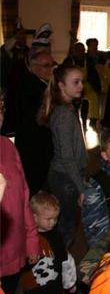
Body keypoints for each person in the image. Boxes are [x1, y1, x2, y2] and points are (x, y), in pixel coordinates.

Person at [0, 90, 40, 294]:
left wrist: (31, 240)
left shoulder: (8, 146)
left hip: (13, 250)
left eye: (0, 109)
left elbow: (24, 195)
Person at [39, 65, 87, 248]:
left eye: (81, 81)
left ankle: (60, 257)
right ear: (61, 85)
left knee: (66, 225)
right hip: (66, 177)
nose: (81, 86)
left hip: (67, 176)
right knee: (65, 227)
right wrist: (81, 187)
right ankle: (59, 260)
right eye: (76, 82)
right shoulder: (64, 114)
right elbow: (67, 156)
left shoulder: (67, 108)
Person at [14, 50, 55, 195]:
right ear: (35, 67)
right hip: (35, 146)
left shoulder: (36, 83)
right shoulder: (33, 86)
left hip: (33, 145)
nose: (51, 69)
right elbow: (41, 118)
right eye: (47, 66)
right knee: (34, 184)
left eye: (52, 65)